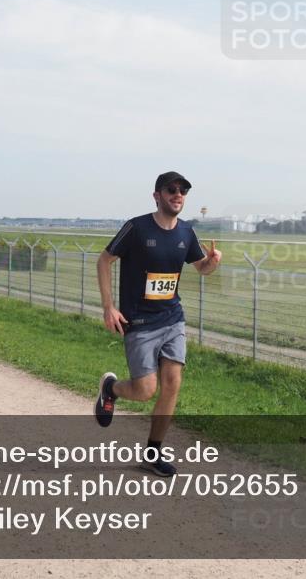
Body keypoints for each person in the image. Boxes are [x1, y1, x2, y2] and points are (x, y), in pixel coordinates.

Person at [94, 171, 221, 477]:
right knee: (144, 390)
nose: (178, 195)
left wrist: (212, 263)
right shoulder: (136, 228)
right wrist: (109, 307)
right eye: (172, 190)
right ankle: (111, 389)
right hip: (138, 320)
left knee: (172, 383)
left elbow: (200, 268)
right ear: (157, 195)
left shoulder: (187, 232)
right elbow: (104, 260)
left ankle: (153, 453)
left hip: (172, 317)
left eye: (183, 191)